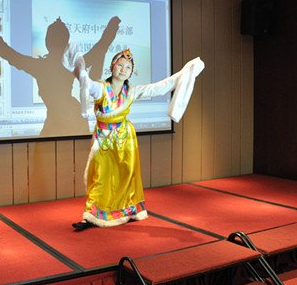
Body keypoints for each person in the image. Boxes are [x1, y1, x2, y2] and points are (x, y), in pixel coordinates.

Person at [72, 49, 204, 230]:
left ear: (131, 72)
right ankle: (92, 215)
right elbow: (87, 84)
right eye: (120, 65)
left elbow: (159, 87)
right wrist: (80, 70)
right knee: (100, 175)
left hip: (125, 138)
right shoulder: (101, 88)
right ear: (112, 67)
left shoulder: (131, 91)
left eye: (128, 67)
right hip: (104, 139)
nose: (123, 69)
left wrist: (184, 73)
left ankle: (126, 211)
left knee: (126, 176)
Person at [0, 1, 120, 137]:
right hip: (70, 119)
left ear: (47, 42)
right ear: (66, 44)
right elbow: (101, 46)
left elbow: (8, 53)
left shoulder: (40, 66)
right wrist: (113, 26)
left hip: (64, 121)